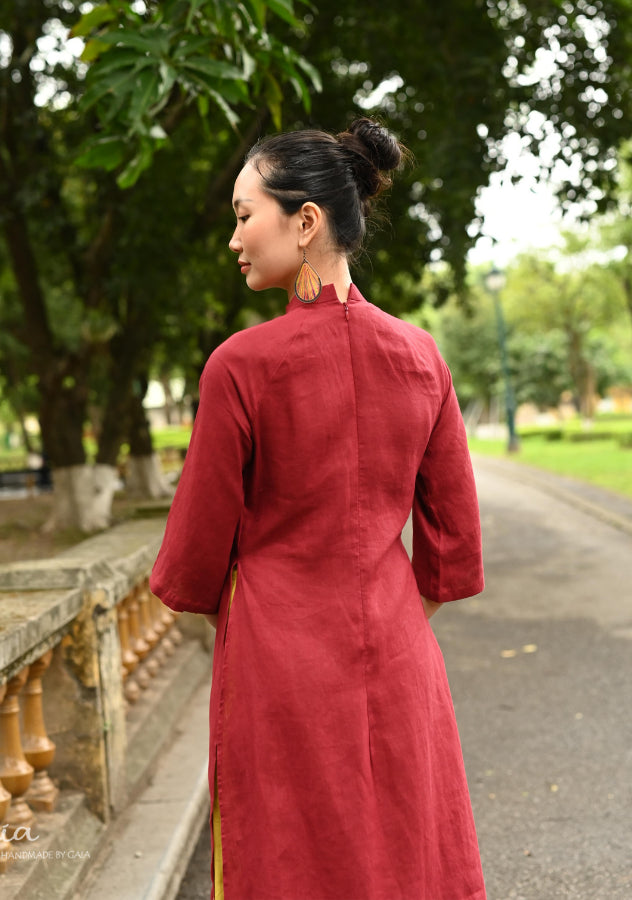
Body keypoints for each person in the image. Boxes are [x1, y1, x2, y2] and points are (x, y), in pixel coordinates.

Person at [149, 117, 486, 900]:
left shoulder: (241, 367)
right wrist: (384, 619)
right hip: (402, 659)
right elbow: (451, 548)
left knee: (294, 864)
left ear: (305, 222)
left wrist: (278, 629)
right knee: (407, 853)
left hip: (278, 672)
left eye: (244, 215)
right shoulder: (420, 355)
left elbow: (195, 564)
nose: (234, 239)